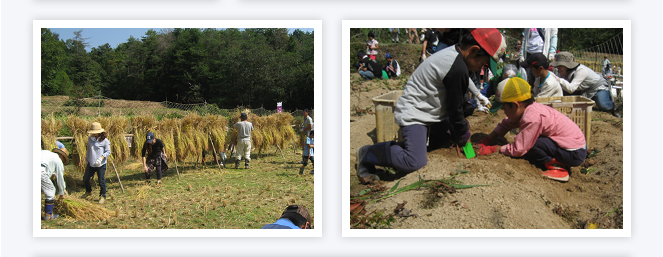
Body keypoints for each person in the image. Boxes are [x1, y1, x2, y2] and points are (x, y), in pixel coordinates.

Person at [356, 28, 506, 183]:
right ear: (474, 50)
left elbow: (458, 104)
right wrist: (463, 134)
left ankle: (408, 147)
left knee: (444, 139)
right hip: (415, 112)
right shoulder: (457, 67)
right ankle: (368, 153)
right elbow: (455, 109)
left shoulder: (456, 55)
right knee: (415, 161)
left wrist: (459, 128)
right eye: (483, 63)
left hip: (430, 113)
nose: (480, 69)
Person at [477, 77, 587, 182]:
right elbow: (506, 124)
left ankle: (558, 169)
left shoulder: (532, 118)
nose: (504, 113)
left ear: (515, 105)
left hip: (574, 153)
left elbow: (519, 149)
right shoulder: (529, 109)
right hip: (573, 147)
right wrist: (487, 140)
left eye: (504, 109)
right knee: (531, 142)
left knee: (532, 144)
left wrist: (494, 149)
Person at [551, 52, 618, 116]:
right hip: (582, 89)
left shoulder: (581, 71)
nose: (558, 68)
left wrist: (557, 79)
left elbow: (571, 89)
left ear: (567, 65)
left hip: (597, 88)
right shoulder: (563, 71)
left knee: (604, 106)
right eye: (557, 65)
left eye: (560, 65)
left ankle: (614, 107)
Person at [82, 122, 111, 204]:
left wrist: (102, 157)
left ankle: (102, 195)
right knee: (85, 179)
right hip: (91, 163)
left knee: (101, 180)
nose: (93, 134)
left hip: (100, 164)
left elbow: (108, 151)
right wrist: (87, 160)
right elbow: (88, 150)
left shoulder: (105, 141)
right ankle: (88, 192)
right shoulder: (90, 139)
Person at [41, 148, 69, 220]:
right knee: (51, 191)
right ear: (62, 156)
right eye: (63, 159)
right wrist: (62, 193)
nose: (62, 161)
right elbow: (60, 178)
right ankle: (49, 215)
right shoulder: (58, 159)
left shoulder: (45, 152)